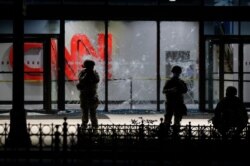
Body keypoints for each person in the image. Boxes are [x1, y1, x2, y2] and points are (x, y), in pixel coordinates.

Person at [162, 65, 188, 132]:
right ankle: (172, 132)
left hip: (174, 103)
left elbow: (185, 90)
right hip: (173, 103)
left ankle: (168, 132)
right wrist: (172, 90)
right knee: (171, 120)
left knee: (174, 120)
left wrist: (171, 90)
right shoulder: (171, 81)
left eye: (178, 73)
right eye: (176, 72)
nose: (177, 74)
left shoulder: (178, 82)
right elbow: (164, 91)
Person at [76, 60, 100, 129]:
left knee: (93, 114)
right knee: (85, 114)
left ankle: (95, 128)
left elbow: (97, 80)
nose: (92, 68)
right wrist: (87, 74)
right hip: (84, 96)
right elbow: (81, 80)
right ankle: (84, 127)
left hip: (92, 96)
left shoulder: (94, 72)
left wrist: (91, 73)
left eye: (92, 66)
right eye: (91, 66)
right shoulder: (83, 72)